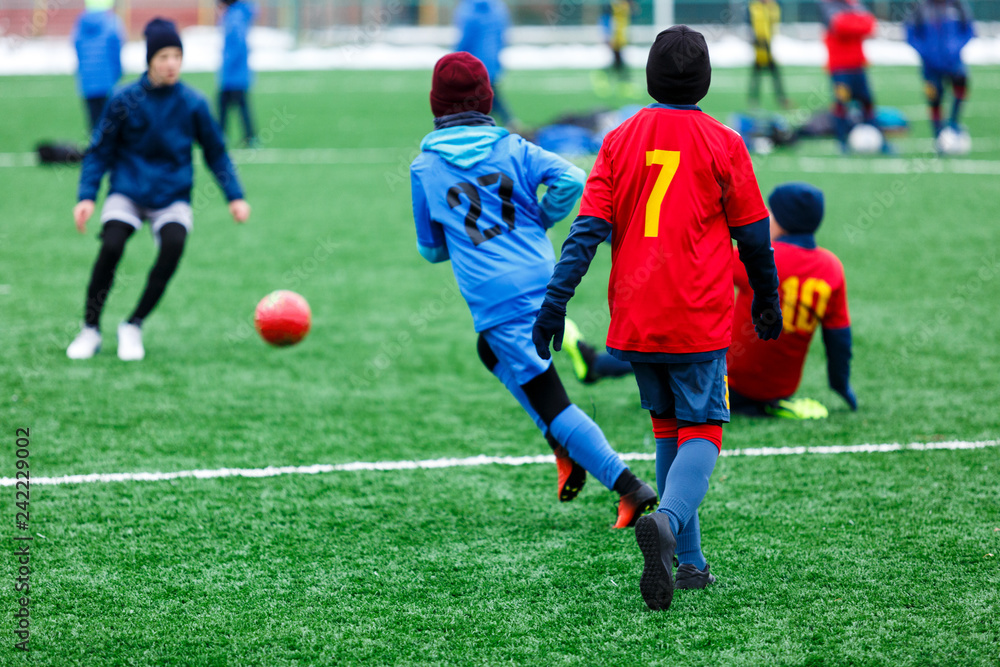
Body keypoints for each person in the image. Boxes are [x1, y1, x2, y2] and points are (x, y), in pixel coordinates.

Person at [533, 26, 782, 610]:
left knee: (669, 429)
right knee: (706, 430)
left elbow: (586, 232)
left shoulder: (619, 139)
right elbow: (753, 235)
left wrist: (555, 303)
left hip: (637, 319)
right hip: (696, 317)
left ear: (648, 77)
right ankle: (667, 521)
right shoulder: (724, 141)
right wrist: (767, 298)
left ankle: (690, 564)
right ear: (707, 80)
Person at [410, 52, 657, 527]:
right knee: (492, 353)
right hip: (543, 277)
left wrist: (465, 241)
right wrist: (539, 219)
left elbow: (431, 249)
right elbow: (571, 179)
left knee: (551, 398)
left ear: (434, 104)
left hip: (497, 297)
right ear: (488, 99)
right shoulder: (514, 147)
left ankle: (628, 486)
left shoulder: (426, 167)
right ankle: (561, 446)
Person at [67, 18, 251, 362]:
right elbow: (99, 151)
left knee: (173, 245)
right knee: (112, 244)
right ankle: (90, 328)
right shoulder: (123, 99)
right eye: (164, 56)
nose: (171, 64)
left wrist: (235, 196)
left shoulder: (193, 103)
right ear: (150, 59)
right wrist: (87, 196)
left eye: (177, 56)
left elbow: (216, 152)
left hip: (171, 194)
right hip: (129, 189)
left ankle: (133, 324)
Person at [728, 183, 856, 419]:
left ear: (782, 221)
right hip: (781, 390)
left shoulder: (759, 258)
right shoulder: (831, 267)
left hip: (728, 385)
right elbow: (839, 339)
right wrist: (841, 386)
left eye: (770, 213)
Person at [820, 0, 884, 152]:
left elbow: (870, 24)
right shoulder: (827, 4)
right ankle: (842, 142)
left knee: (867, 102)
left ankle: (880, 141)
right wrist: (857, 23)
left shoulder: (854, 3)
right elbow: (839, 26)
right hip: (839, 66)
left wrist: (852, 23)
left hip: (858, 64)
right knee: (841, 103)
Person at [905, 0, 974, 139]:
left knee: (961, 85)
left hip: (953, 61)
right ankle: (938, 133)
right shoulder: (920, 7)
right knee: (934, 97)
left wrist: (956, 47)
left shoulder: (957, 5)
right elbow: (910, 33)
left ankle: (953, 122)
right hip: (930, 64)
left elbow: (969, 28)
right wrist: (925, 51)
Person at [454, 0, 513, 126]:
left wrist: (455, 57)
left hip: (473, 61)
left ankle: (502, 122)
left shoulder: (468, 10)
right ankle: (507, 121)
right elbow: (502, 36)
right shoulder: (497, 8)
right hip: (491, 60)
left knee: (480, 95)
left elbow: (465, 39)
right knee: (488, 92)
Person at [72, 0, 125, 132]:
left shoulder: (80, 22)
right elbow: (116, 51)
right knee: (110, 125)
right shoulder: (112, 22)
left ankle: (95, 150)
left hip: (87, 82)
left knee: (94, 126)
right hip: (108, 82)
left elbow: (77, 47)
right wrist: (118, 73)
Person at [218, 0, 257, 146]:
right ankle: (248, 137)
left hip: (234, 73)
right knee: (236, 105)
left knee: (228, 104)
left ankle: (222, 137)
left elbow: (239, 44)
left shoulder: (234, 17)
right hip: (237, 72)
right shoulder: (237, 14)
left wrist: (228, 62)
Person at [747, 0, 790, 108]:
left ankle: (754, 98)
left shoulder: (771, 7)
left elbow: (773, 24)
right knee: (766, 74)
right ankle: (778, 98)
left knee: (762, 74)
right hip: (760, 46)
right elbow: (752, 25)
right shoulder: (755, 7)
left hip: (767, 45)